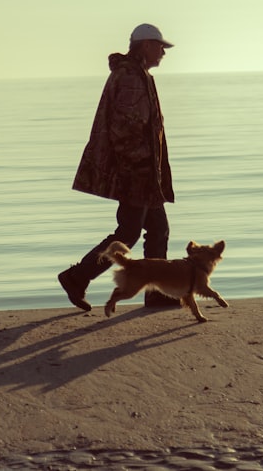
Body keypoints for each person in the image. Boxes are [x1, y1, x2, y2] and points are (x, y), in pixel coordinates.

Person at [58, 23, 179, 311]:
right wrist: (136, 165)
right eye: (160, 46)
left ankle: (156, 292)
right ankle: (77, 276)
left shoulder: (139, 75)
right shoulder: (129, 78)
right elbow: (124, 127)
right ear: (146, 45)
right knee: (128, 234)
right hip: (136, 172)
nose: (163, 52)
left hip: (145, 173)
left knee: (157, 230)